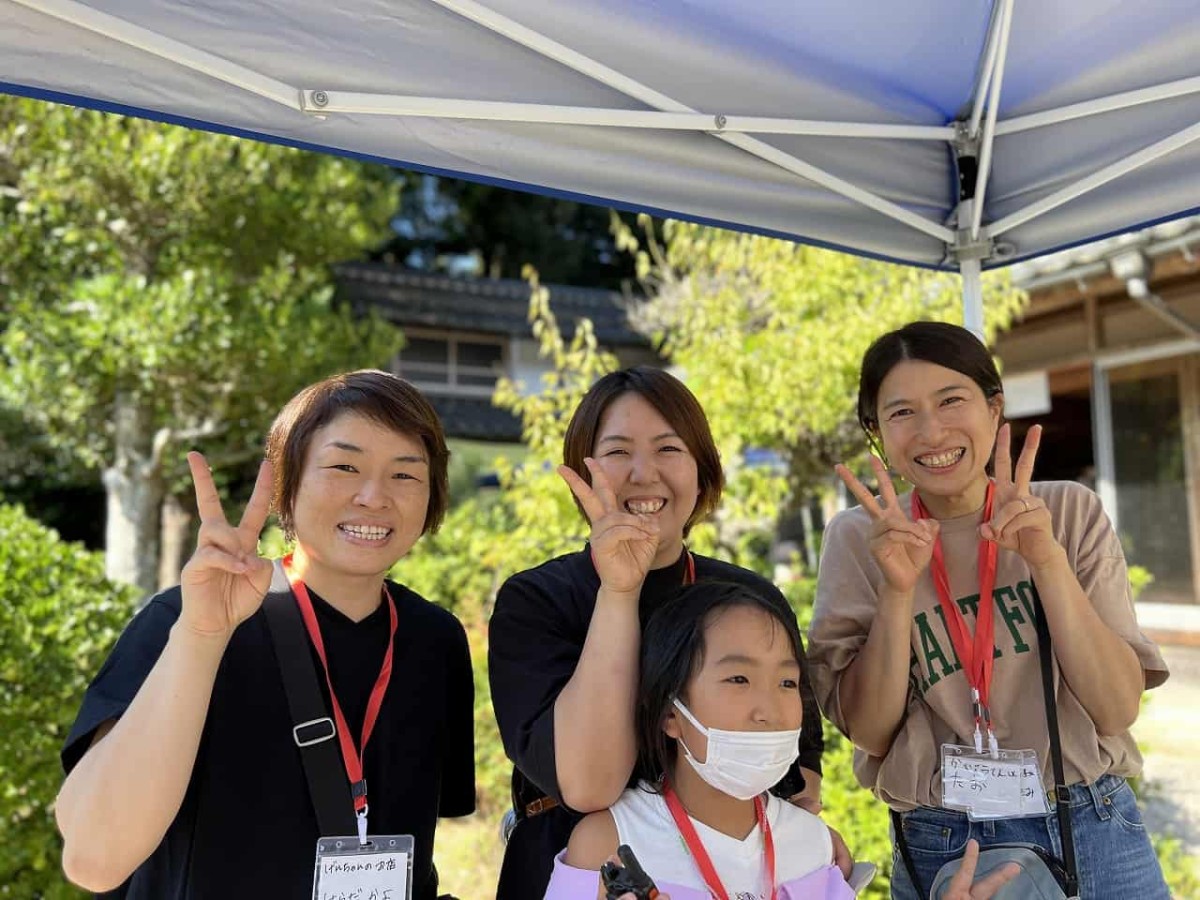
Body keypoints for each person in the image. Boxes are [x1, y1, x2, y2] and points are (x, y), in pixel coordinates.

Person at [55, 370, 475, 899]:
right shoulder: (186, 620)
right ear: (286, 483)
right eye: (344, 466)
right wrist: (202, 635)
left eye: (405, 475)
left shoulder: (434, 640)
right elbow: (93, 859)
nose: (373, 496)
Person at [807, 321, 1171, 900]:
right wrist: (899, 591)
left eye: (952, 400)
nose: (931, 432)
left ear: (994, 408)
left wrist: (1048, 562)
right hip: (942, 833)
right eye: (901, 413)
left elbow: (1117, 705)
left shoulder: (1066, 512)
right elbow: (871, 731)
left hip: (1089, 818)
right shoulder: (859, 539)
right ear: (876, 432)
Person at [488, 366, 835, 900]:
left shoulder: (746, 597)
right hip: (581, 875)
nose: (643, 473)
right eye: (618, 451)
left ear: (702, 472)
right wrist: (620, 592)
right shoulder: (537, 601)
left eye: (669, 449)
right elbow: (588, 785)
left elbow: (798, 764)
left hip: (733, 878)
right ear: (582, 470)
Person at [544, 581, 1019, 900]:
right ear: (670, 712)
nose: (768, 709)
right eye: (737, 680)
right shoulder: (608, 843)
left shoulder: (813, 845)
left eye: (787, 683)